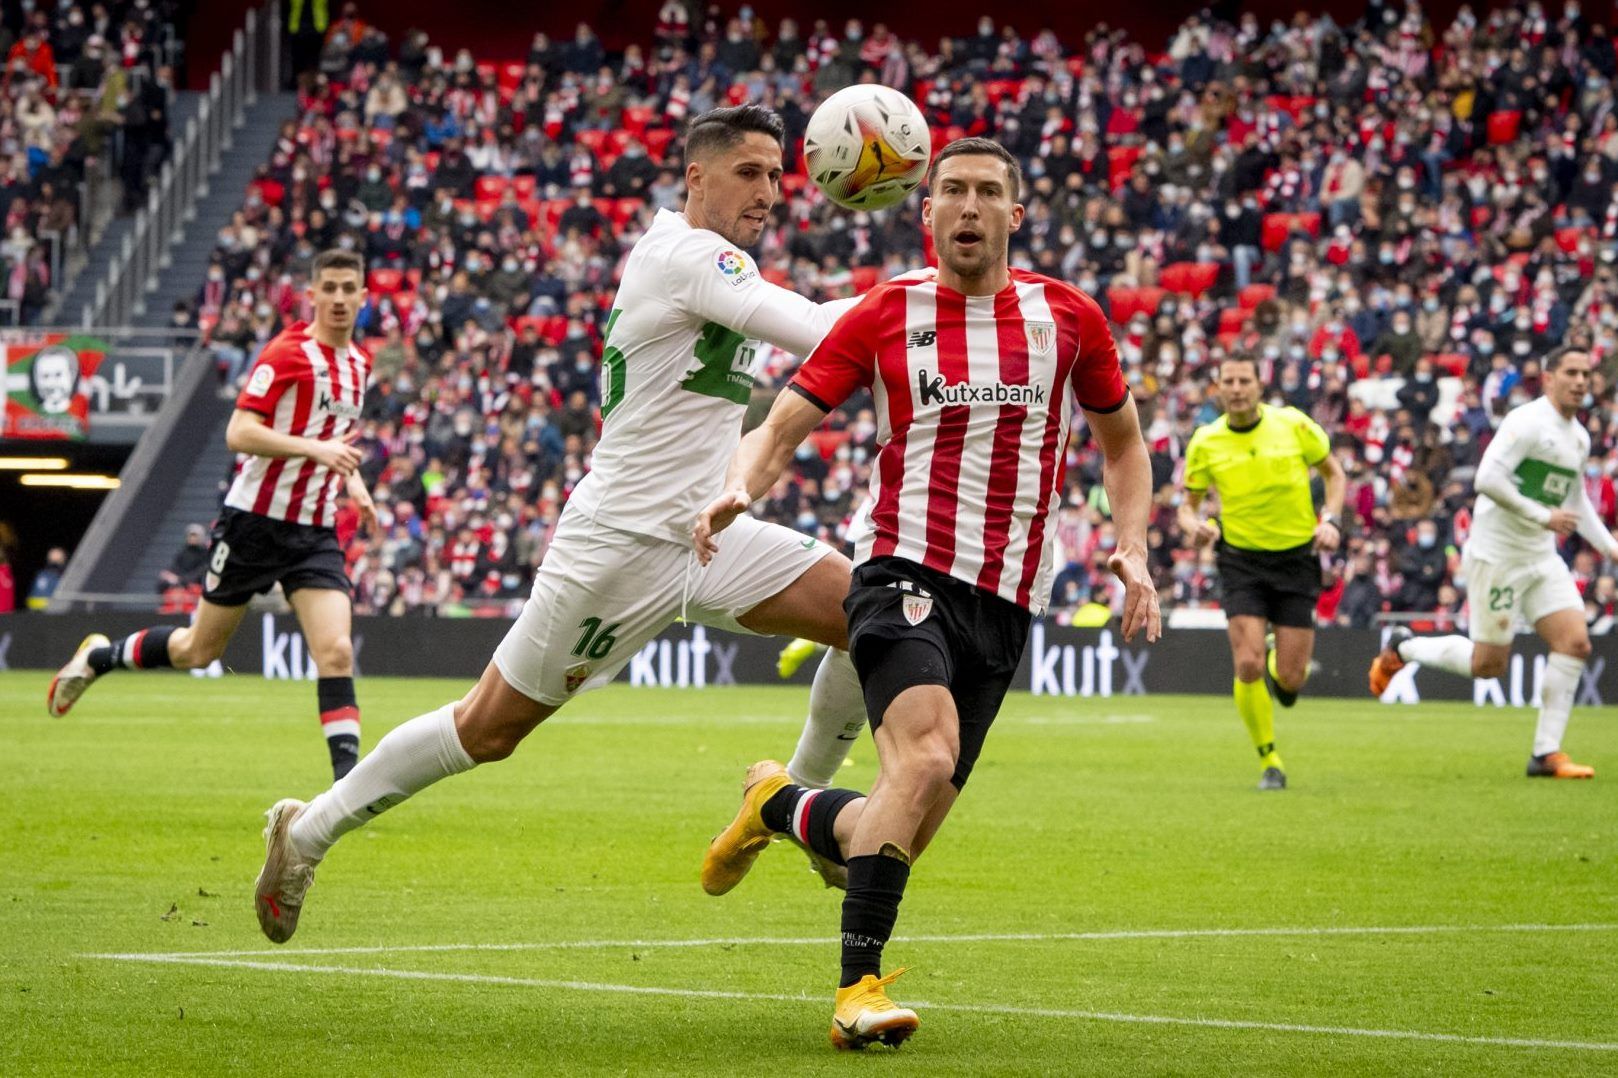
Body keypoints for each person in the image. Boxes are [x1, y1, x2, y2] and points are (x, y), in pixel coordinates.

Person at [251, 105, 912, 945]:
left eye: (778, 175)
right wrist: (932, 298)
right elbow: (823, 330)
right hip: (620, 546)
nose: (771, 191)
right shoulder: (684, 254)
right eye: (749, 173)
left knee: (871, 613)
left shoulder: (720, 261)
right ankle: (305, 833)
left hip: (708, 535)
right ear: (695, 178)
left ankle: (786, 804)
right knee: (486, 729)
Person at [693, 137, 1159, 1051]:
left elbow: (1124, 445)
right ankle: (856, 992)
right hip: (902, 571)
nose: (970, 206)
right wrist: (742, 481)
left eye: (989, 191)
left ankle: (775, 804)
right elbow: (783, 423)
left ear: (1015, 216)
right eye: (953, 190)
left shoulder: (1069, 320)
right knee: (927, 756)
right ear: (927, 210)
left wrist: (1133, 548)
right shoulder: (884, 312)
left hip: (1008, 598)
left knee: (885, 827)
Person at [47, 250, 378, 784]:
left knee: (336, 651)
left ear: (363, 297)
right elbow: (239, 432)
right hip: (253, 523)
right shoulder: (288, 352)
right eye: (330, 288)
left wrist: (354, 484)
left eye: (349, 289)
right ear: (311, 295)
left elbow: (332, 441)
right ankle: (101, 657)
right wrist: (315, 454)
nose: (340, 299)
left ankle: (348, 787)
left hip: (314, 530)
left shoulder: (359, 364)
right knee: (197, 649)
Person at [1370, 347, 1608, 778]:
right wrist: (1542, 516)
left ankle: (1545, 754)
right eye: (1570, 372)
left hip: (1539, 554)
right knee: (1487, 666)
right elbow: (1486, 479)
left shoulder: (1579, 437)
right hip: (1497, 555)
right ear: (1549, 377)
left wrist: (1610, 548)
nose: (1579, 381)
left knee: (1575, 642)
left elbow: (1573, 503)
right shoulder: (1527, 422)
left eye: (1585, 374)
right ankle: (1403, 646)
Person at [1176, 356, 1345, 790]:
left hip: (1296, 559)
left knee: (1290, 681)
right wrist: (1192, 526)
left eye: (1243, 380)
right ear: (1217, 386)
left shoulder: (1293, 425)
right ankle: (1270, 758)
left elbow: (1334, 473)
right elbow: (1188, 506)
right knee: (1247, 663)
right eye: (1228, 380)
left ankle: (1279, 662)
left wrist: (1331, 520)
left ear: (1259, 384)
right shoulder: (1205, 441)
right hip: (1241, 561)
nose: (1236, 388)